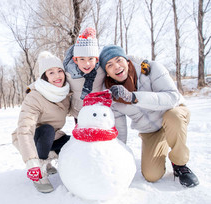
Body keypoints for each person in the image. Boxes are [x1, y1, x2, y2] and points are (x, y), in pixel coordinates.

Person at [99, 45, 199, 188]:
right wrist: (117, 157)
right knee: (152, 175)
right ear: (107, 73)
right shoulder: (112, 95)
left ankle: (180, 164)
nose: (116, 66)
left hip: (173, 114)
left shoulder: (151, 69)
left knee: (173, 117)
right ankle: (163, 144)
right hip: (151, 131)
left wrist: (133, 97)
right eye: (109, 65)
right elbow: (119, 129)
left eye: (119, 60)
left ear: (127, 61)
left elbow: (173, 97)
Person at [12, 51, 71, 193]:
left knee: (72, 142)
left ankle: (48, 160)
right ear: (44, 77)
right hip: (32, 137)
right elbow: (25, 129)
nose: (57, 76)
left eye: (59, 71)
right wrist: (31, 162)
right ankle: (39, 171)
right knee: (47, 129)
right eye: (51, 73)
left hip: (52, 136)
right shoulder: (35, 96)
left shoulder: (64, 93)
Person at [63, 27, 105, 122]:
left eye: (91, 59)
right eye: (82, 59)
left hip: (99, 113)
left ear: (96, 59)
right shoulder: (68, 72)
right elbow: (51, 80)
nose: (87, 64)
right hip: (79, 113)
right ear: (75, 60)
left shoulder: (102, 70)